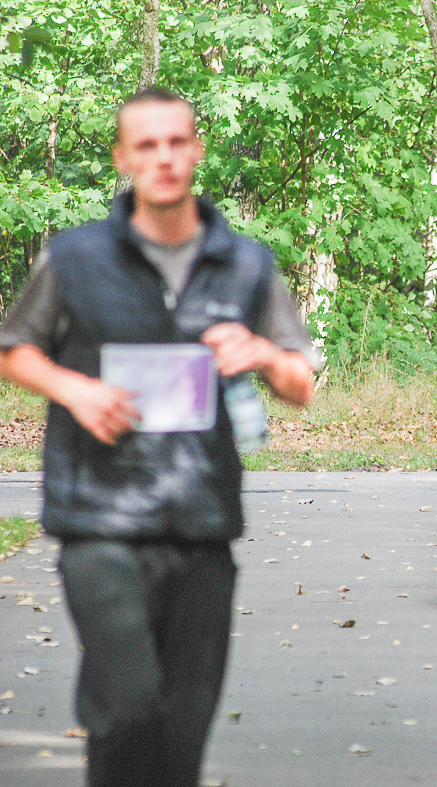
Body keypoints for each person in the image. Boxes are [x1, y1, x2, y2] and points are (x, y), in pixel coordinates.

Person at [0, 88, 317, 787]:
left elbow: (302, 382)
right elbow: (14, 348)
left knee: (182, 734)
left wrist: (264, 353)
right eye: (147, 145)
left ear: (197, 148)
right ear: (124, 158)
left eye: (177, 141)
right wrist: (76, 390)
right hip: (99, 521)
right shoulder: (76, 258)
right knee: (129, 705)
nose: (164, 157)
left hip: (201, 526)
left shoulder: (245, 263)